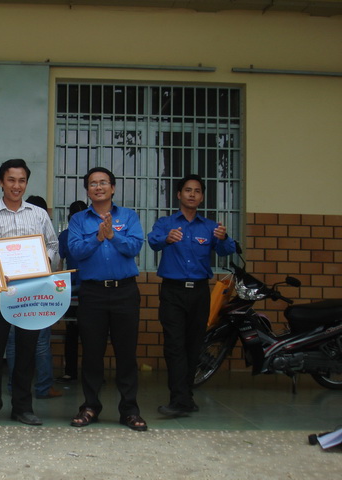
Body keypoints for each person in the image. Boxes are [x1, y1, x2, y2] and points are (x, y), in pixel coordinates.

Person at [0, 159, 59, 427]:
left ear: (26, 183)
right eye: (11, 180)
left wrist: (43, 261)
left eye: (21, 180)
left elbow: (53, 245)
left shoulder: (39, 214)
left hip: (30, 292)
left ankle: (22, 407)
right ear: (1, 182)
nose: (16, 186)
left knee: (27, 350)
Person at [148, 174, 236, 418]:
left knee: (194, 345)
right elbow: (153, 242)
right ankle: (179, 399)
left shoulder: (209, 227)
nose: (192, 194)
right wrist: (167, 238)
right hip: (172, 292)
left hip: (199, 292)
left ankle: (185, 396)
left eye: (197, 191)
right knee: (174, 345)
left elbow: (227, 250)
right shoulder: (166, 223)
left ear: (202, 197)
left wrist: (224, 238)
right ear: (179, 194)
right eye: (188, 190)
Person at [67, 167, 147, 432]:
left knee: (126, 353)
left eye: (103, 183)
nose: (98, 187)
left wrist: (113, 235)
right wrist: (98, 237)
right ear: (87, 190)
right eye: (93, 183)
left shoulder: (128, 216)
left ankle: (130, 410)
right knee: (92, 353)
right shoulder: (79, 220)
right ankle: (90, 406)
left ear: (113, 188)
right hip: (93, 293)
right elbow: (75, 250)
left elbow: (134, 247)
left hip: (125, 291)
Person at [5, 195, 62, 400]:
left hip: (12, 289)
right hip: (38, 289)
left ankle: (14, 386)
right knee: (41, 341)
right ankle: (44, 387)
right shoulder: (42, 234)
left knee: (13, 341)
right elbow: (54, 254)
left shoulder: (12, 234)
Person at [55, 200, 88, 383]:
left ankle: (77, 372)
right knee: (75, 331)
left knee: (84, 332)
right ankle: (75, 372)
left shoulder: (91, 233)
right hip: (76, 288)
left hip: (84, 287)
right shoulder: (66, 235)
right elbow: (59, 263)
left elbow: (59, 264)